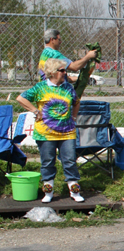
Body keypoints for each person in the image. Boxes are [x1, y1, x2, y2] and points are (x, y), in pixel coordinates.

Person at [16, 58, 84, 203]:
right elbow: (20, 98)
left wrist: (73, 116)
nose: (65, 73)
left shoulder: (68, 88)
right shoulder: (40, 88)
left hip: (67, 132)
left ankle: (74, 191)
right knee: (47, 162)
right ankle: (48, 192)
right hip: (45, 133)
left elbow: (76, 102)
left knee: (70, 161)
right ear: (52, 72)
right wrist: (35, 110)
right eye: (62, 70)